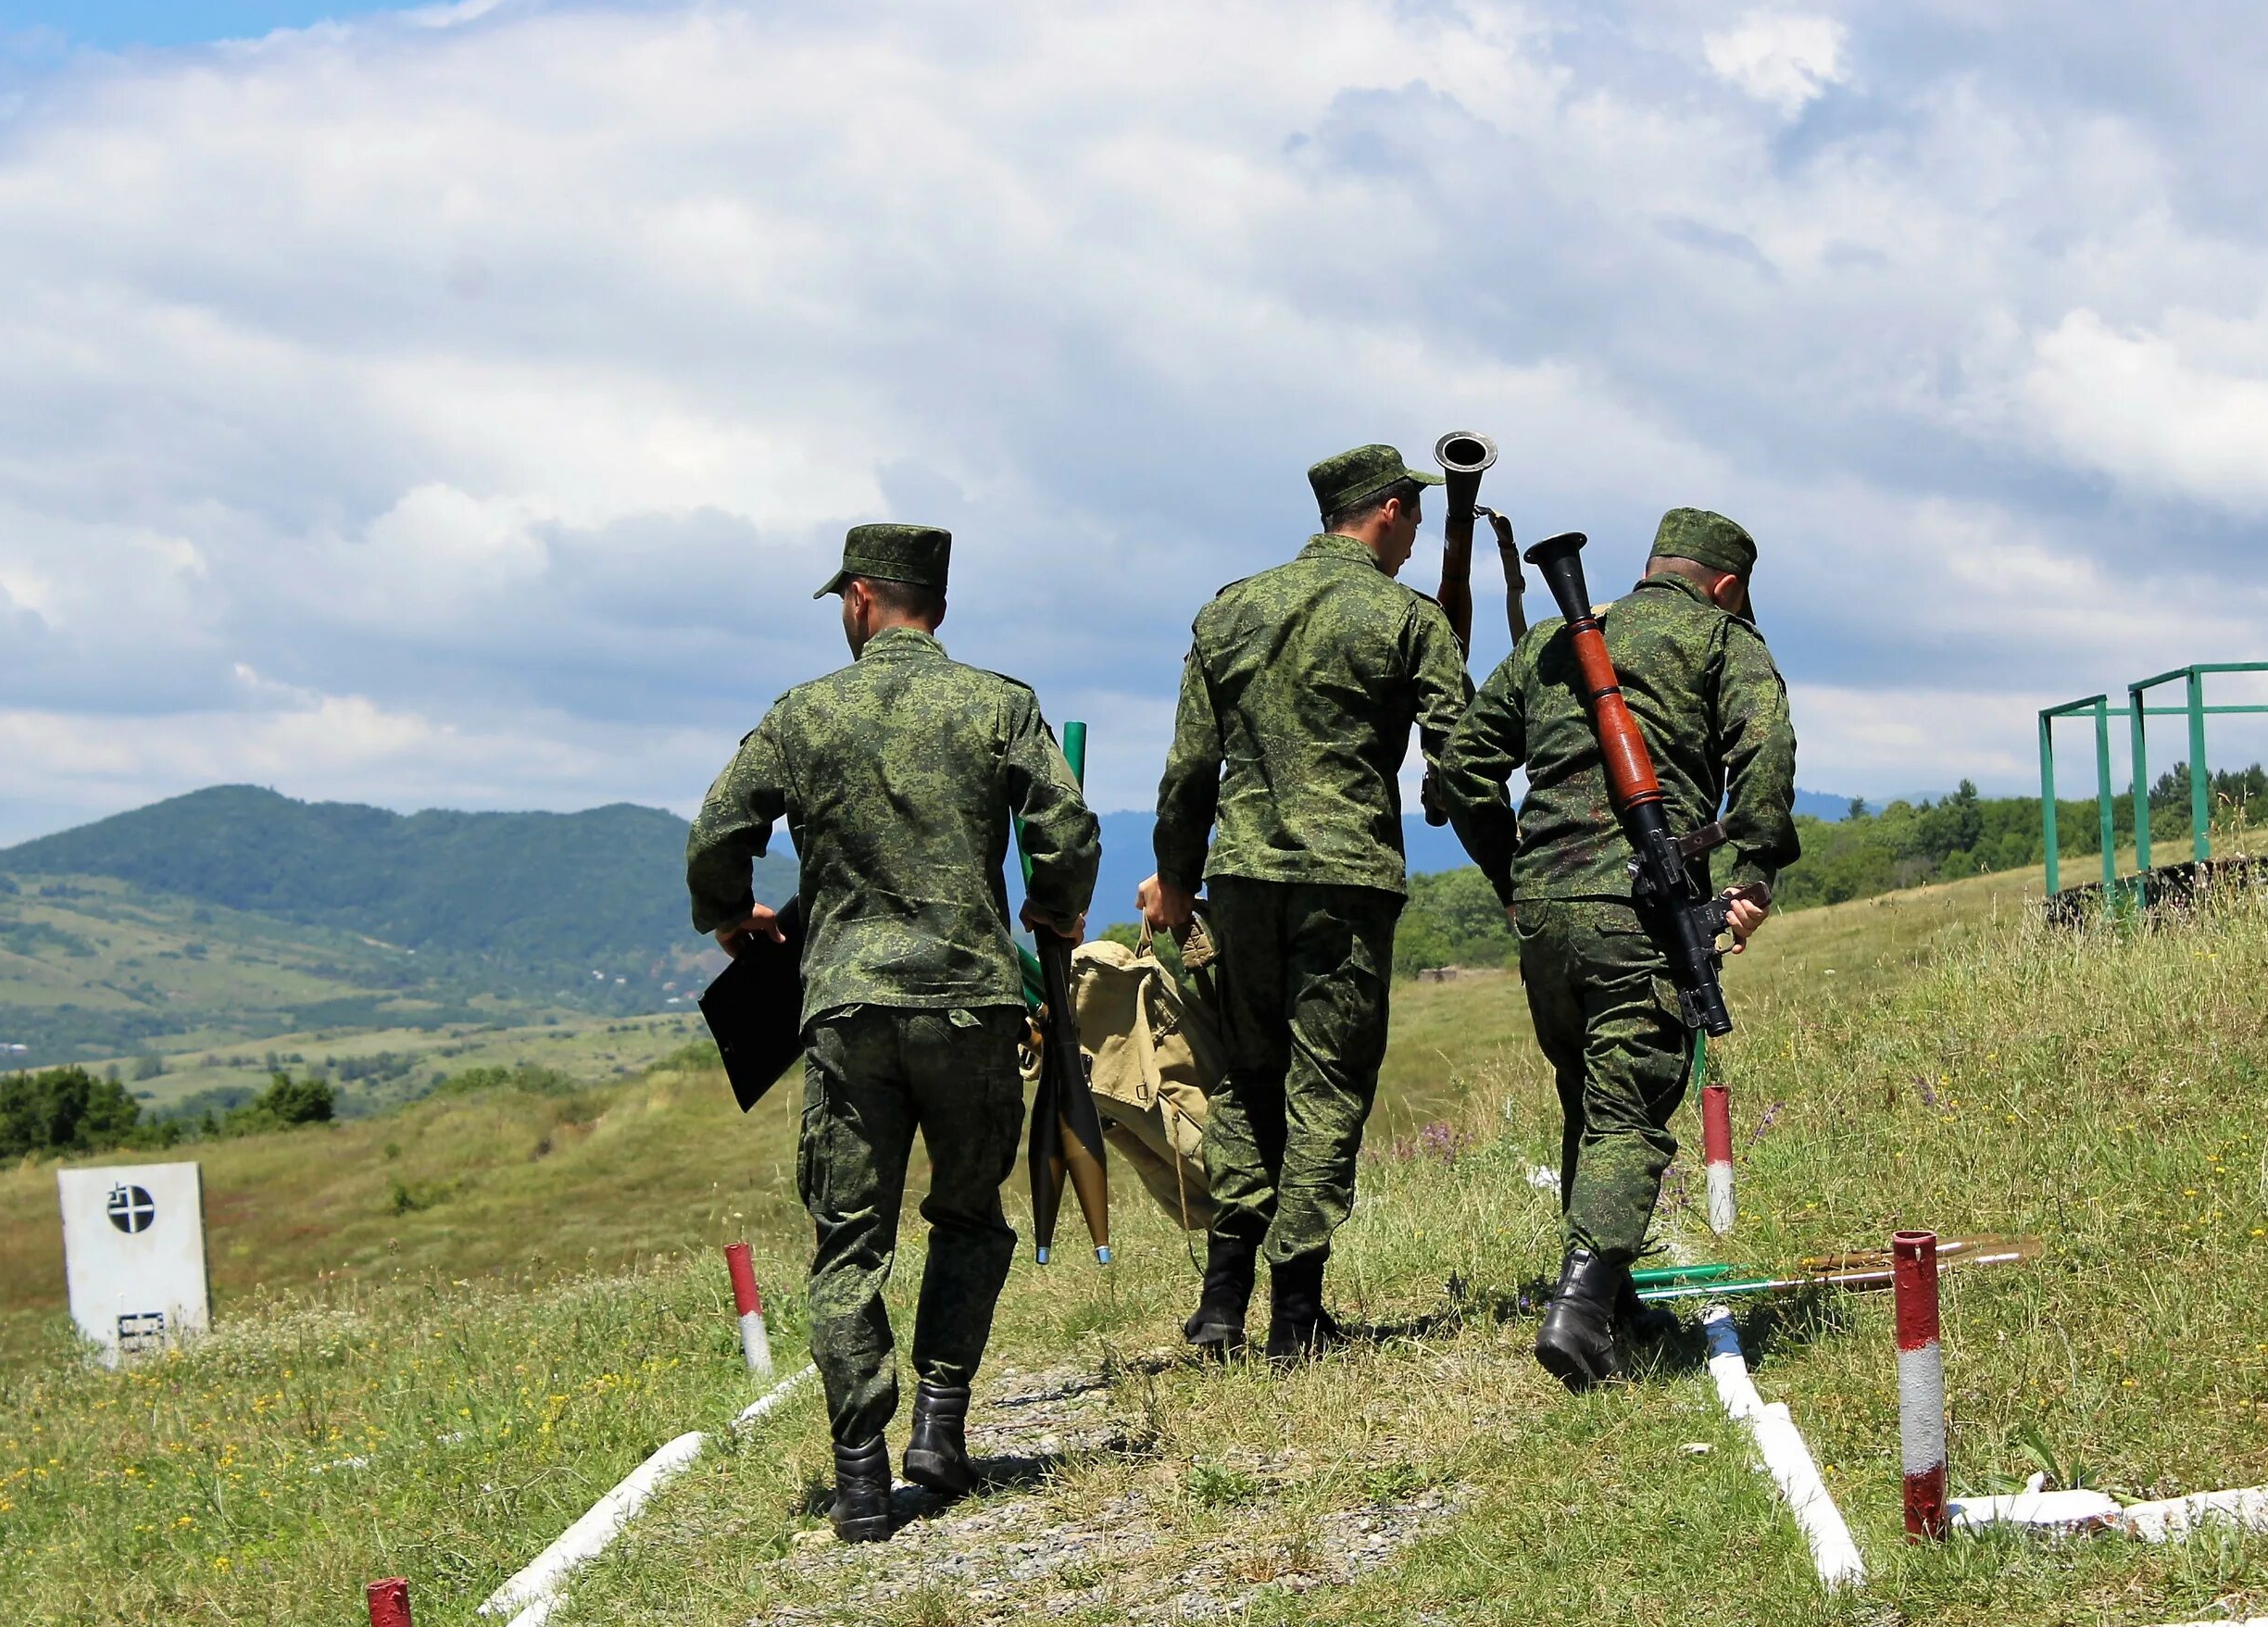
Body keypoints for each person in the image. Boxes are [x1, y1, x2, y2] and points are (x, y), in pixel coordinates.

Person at [686, 523, 1100, 1541]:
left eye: (842, 602)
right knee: (968, 1216)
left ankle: (862, 1472)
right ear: (938, 606)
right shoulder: (1000, 703)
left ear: (863, 598)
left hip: (849, 1013)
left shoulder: (802, 712)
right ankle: (941, 1423)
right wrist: (1054, 904)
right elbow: (1069, 828)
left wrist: (733, 915)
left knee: (849, 1241)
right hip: (970, 1003)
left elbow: (716, 834)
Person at [1433, 507, 1797, 1389]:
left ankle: (1615, 1288)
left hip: (1549, 914)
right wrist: (1747, 881)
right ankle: (1582, 1316)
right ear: (1729, 586)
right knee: (1630, 1105)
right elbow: (1767, 751)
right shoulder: (1722, 639)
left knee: (1588, 1097)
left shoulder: (1555, 639)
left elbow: (1457, 769)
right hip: (1638, 910)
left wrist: (1510, 872)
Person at [1138, 446, 1472, 1363]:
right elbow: (1464, 753)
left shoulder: (1229, 608)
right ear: (1393, 512)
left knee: (1246, 1080)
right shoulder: (1408, 617)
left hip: (1240, 879)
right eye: (1413, 520)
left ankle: (1219, 1304)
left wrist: (1175, 876)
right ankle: (1296, 1312)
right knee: (1324, 1087)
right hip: (1347, 879)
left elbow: (1188, 769)